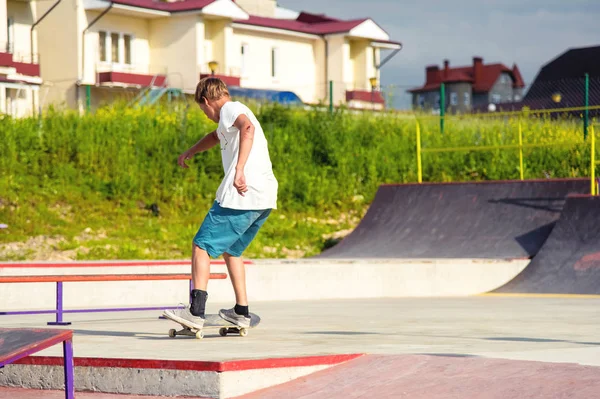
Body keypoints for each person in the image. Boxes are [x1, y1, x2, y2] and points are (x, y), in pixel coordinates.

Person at [163, 77, 278, 329]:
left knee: (201, 245)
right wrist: (190, 151)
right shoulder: (231, 116)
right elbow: (214, 137)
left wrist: (239, 169)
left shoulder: (229, 109)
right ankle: (241, 311)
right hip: (263, 198)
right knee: (232, 250)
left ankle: (195, 313)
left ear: (206, 101)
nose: (205, 115)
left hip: (241, 195)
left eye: (202, 109)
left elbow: (247, 128)